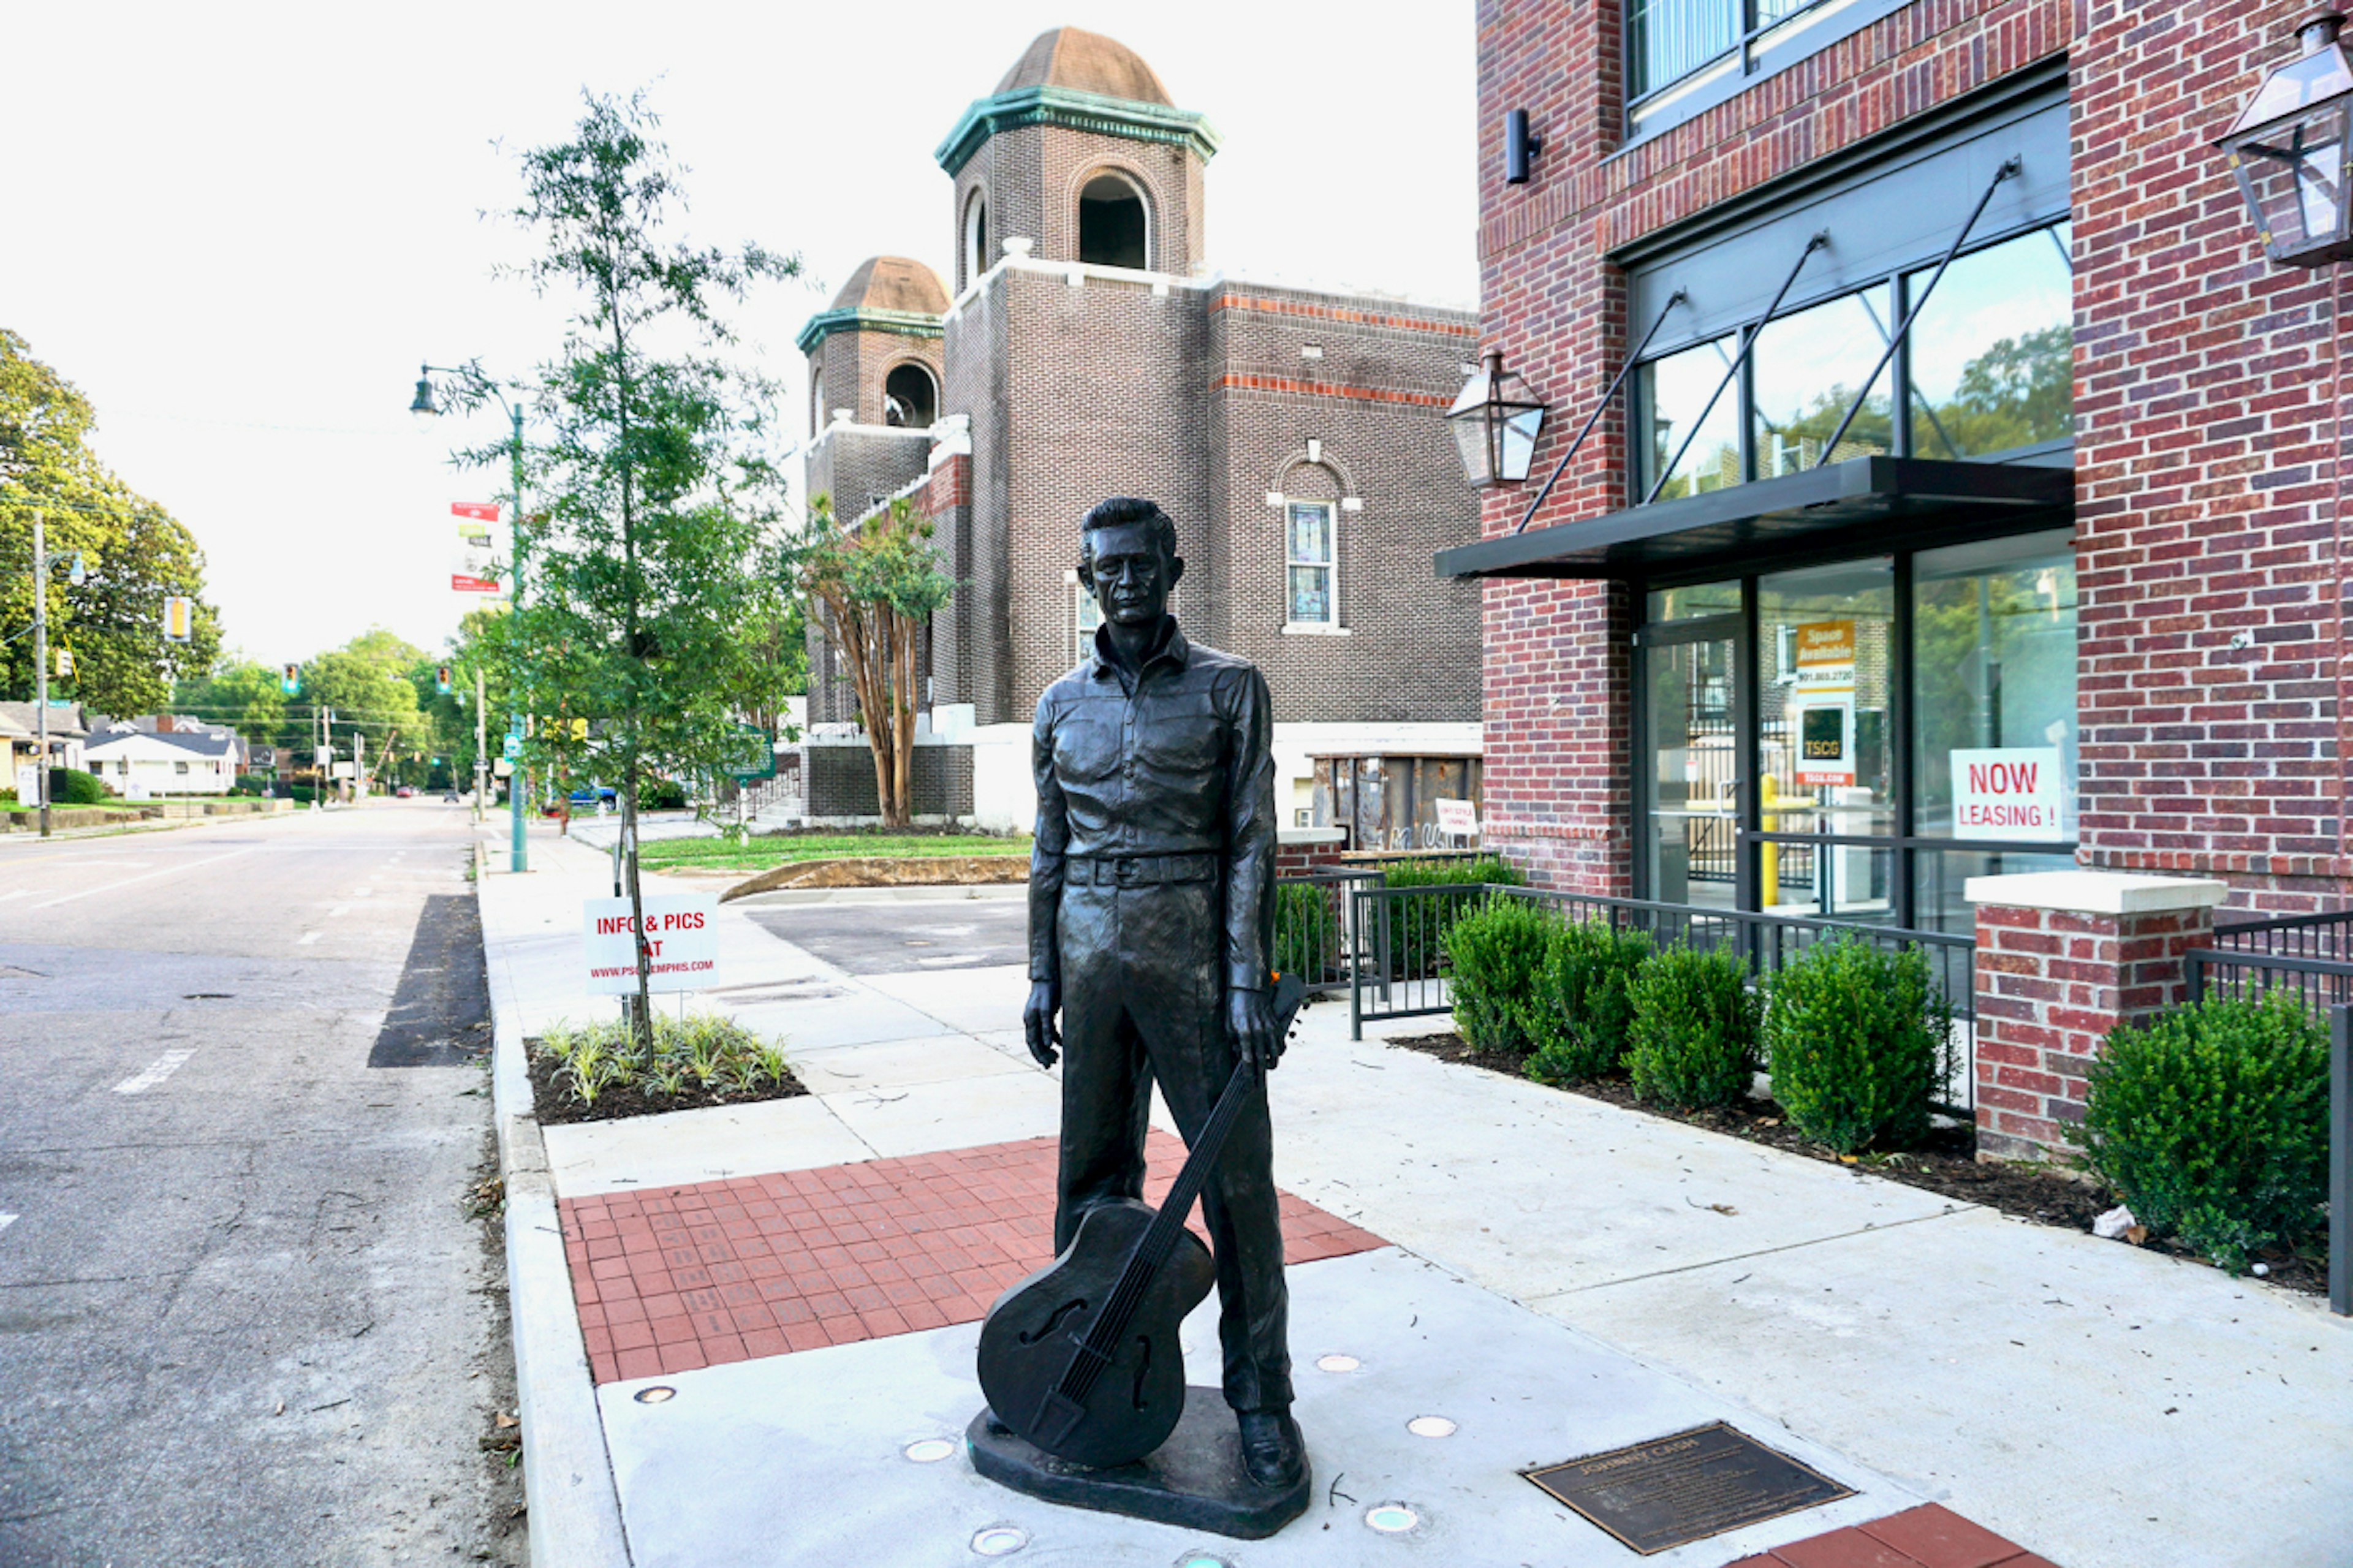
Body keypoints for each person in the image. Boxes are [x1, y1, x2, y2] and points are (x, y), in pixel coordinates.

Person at [1021, 496, 1302, 1489]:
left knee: (1235, 1186)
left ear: (1175, 571)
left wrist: (1242, 977)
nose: (1127, 579)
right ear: (1088, 578)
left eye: (1144, 563)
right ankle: (1069, 1372)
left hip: (1191, 950)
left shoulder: (1232, 689)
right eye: (1109, 566)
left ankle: (1261, 1398)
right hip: (1091, 949)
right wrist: (1042, 973)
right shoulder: (1059, 704)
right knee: (1090, 1182)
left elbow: (1251, 842)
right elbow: (1050, 848)